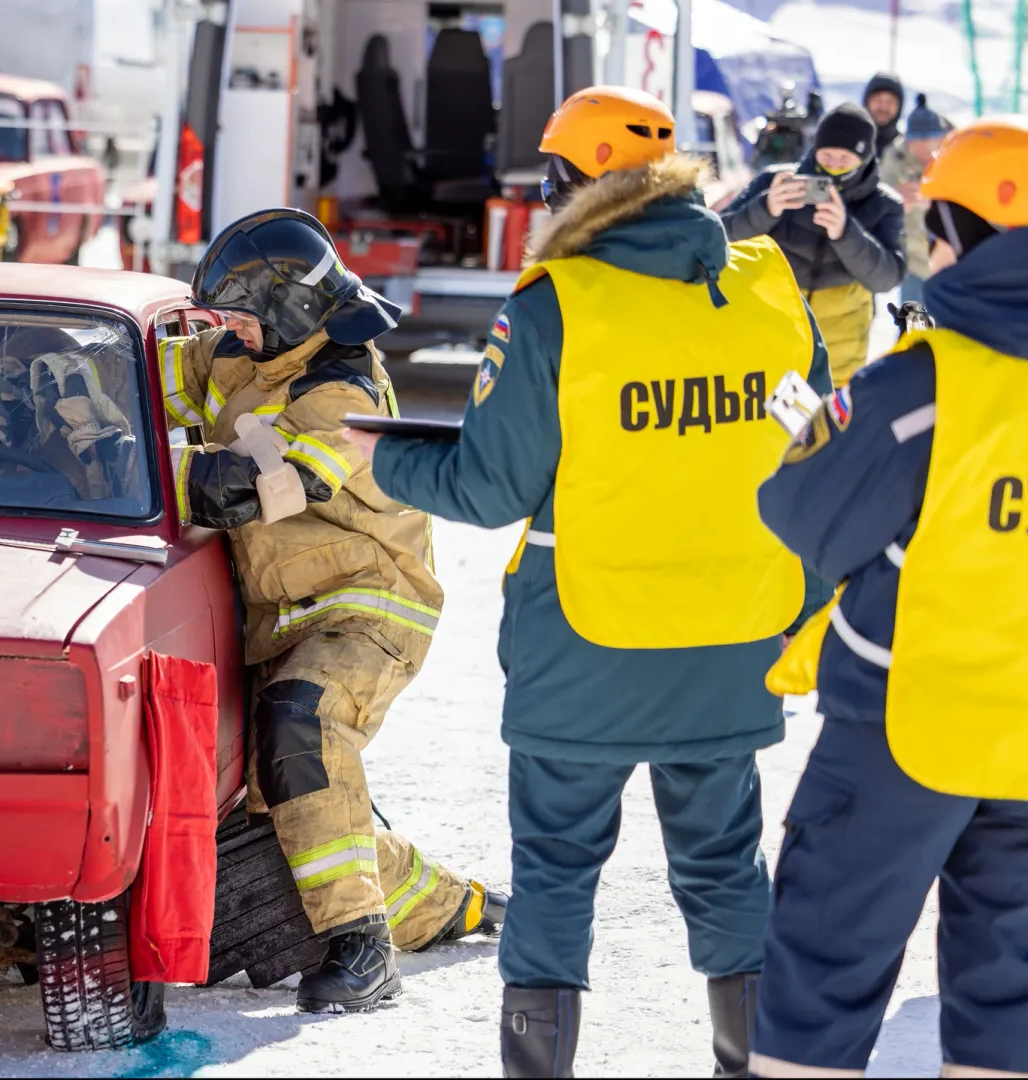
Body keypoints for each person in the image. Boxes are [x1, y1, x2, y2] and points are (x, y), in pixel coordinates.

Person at [345, 87, 831, 1077]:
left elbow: (490, 485)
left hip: (588, 644)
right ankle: (757, 1065)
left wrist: (375, 458)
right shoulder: (769, 287)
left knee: (559, 876)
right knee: (727, 870)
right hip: (734, 642)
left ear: (575, 183)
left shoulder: (558, 302)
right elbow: (810, 450)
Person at [164, 207, 502, 1013]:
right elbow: (152, 379)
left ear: (287, 307)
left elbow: (265, 487)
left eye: (245, 316)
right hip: (282, 614)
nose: (232, 331)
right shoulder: (244, 354)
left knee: (301, 722)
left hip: (370, 608)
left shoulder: (339, 388)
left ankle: (362, 952)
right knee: (292, 801)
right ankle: (458, 905)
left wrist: (128, 475)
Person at [746, 116, 1028, 1080]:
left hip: (902, 721)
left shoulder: (923, 384)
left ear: (970, 231)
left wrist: (811, 432)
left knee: (824, 969)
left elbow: (805, 516)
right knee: (1007, 996)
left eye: (936, 224)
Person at [723, 102, 906, 386]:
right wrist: (765, 209)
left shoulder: (884, 205)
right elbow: (718, 237)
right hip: (769, 343)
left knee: (825, 430)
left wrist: (846, 232)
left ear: (865, 157)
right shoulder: (775, 181)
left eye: (844, 160)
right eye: (826, 155)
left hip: (838, 357)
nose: (832, 166)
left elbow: (886, 278)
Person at [893, 93, 953, 304]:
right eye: (916, 140)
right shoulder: (893, 159)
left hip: (953, 264)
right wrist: (894, 197)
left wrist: (936, 201)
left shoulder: (957, 159)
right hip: (914, 264)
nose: (923, 148)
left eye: (930, 139)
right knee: (911, 325)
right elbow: (872, 195)